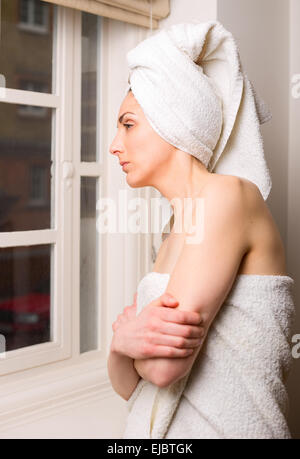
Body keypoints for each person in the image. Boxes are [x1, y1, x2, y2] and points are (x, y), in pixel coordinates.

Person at [107, 21, 295, 439]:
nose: (114, 145)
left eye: (128, 124)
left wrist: (126, 337)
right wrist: (125, 342)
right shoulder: (176, 230)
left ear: (172, 121)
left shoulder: (229, 197)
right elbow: (128, 388)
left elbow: (161, 369)